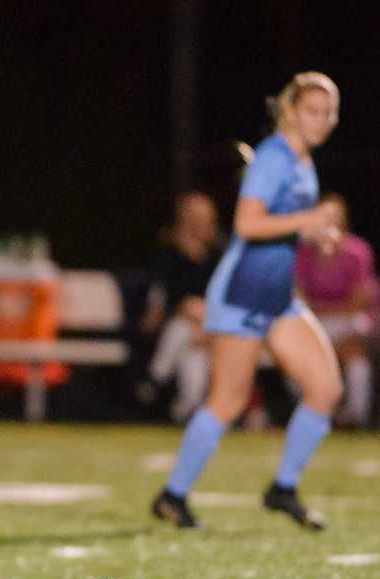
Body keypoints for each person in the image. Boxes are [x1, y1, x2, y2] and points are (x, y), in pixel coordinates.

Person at [151, 72, 344, 531]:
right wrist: (309, 219)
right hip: (241, 294)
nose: (322, 119)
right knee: (227, 401)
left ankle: (283, 488)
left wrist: (316, 231)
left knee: (325, 388)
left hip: (276, 297)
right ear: (291, 110)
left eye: (329, 111)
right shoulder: (276, 157)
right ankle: (173, 495)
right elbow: (247, 224)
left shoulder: (301, 160)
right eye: (313, 109)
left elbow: (284, 226)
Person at [294, 193, 379, 427]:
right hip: (315, 326)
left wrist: (323, 312)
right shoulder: (302, 252)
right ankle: (317, 413)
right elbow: (300, 301)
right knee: (293, 356)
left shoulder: (358, 251)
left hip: (347, 327)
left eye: (334, 218)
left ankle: (355, 418)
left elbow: (357, 305)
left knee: (356, 359)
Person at [138, 192, 222, 422]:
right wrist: (190, 315)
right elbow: (164, 297)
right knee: (183, 332)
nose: (199, 221)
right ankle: (177, 399)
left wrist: (203, 323)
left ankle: (157, 379)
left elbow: (224, 296)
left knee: (194, 365)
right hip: (176, 322)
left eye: (203, 216)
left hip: (210, 328)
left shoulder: (218, 253)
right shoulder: (169, 250)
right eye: (194, 215)